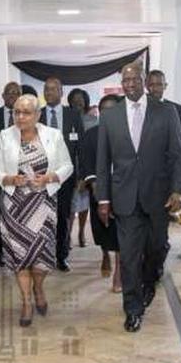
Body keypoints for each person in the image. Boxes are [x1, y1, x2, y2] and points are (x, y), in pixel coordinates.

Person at [95, 61, 181, 333]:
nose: (130, 84)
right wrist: (103, 198)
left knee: (157, 248)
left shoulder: (166, 111)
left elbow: (177, 154)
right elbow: (103, 160)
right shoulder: (111, 116)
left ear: (144, 81)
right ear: (121, 83)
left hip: (158, 196)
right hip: (124, 197)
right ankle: (132, 309)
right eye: (126, 80)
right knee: (129, 256)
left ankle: (149, 282)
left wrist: (178, 189)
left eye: (135, 79)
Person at [0, 94, 73, 327]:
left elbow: (68, 165)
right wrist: (8, 178)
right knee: (20, 257)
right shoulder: (5, 136)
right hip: (14, 206)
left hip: (43, 206)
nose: (20, 117)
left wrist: (50, 177)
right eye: (16, 112)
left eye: (26, 112)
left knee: (42, 258)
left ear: (37, 115)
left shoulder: (53, 135)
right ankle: (26, 302)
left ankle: (39, 287)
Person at [146, 69, 181, 281]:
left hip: (164, 183)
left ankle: (157, 264)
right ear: (146, 86)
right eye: (151, 84)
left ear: (165, 86)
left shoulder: (175, 110)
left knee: (159, 234)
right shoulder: (139, 109)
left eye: (159, 84)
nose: (155, 88)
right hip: (142, 181)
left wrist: (178, 187)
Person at [39, 78, 84, 271]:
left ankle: (61, 255)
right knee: (41, 217)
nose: (49, 93)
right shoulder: (37, 115)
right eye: (46, 90)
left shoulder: (73, 115)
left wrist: (81, 176)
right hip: (41, 177)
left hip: (65, 177)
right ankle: (42, 254)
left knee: (63, 217)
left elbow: (80, 147)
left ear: (61, 91)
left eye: (53, 89)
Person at [80, 94, 121, 292]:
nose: (107, 114)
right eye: (103, 110)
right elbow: (86, 161)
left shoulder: (128, 133)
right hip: (99, 190)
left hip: (123, 190)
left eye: (112, 110)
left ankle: (119, 274)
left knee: (123, 231)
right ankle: (105, 253)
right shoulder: (91, 134)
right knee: (102, 229)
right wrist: (94, 185)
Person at [0, 82, 22, 267]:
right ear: (3, 96)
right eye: (9, 93)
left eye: (17, 93)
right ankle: (3, 252)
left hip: (23, 173)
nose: (13, 96)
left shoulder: (29, 117)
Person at [67, 88, 95, 248]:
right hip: (71, 167)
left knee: (84, 203)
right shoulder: (68, 118)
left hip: (87, 167)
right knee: (71, 203)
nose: (78, 102)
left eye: (81, 99)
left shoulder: (92, 120)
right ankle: (68, 235)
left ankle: (82, 232)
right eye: (75, 99)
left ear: (86, 102)